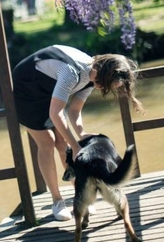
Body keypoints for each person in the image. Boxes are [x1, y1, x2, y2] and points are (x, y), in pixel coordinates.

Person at [12, 44, 144, 221]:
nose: (102, 88)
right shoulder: (72, 73)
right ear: (103, 74)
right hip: (27, 90)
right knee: (48, 142)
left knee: (63, 144)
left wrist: (81, 134)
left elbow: (74, 111)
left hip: (50, 90)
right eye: (106, 85)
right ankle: (57, 201)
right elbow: (56, 113)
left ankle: (80, 195)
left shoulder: (93, 77)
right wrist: (75, 146)